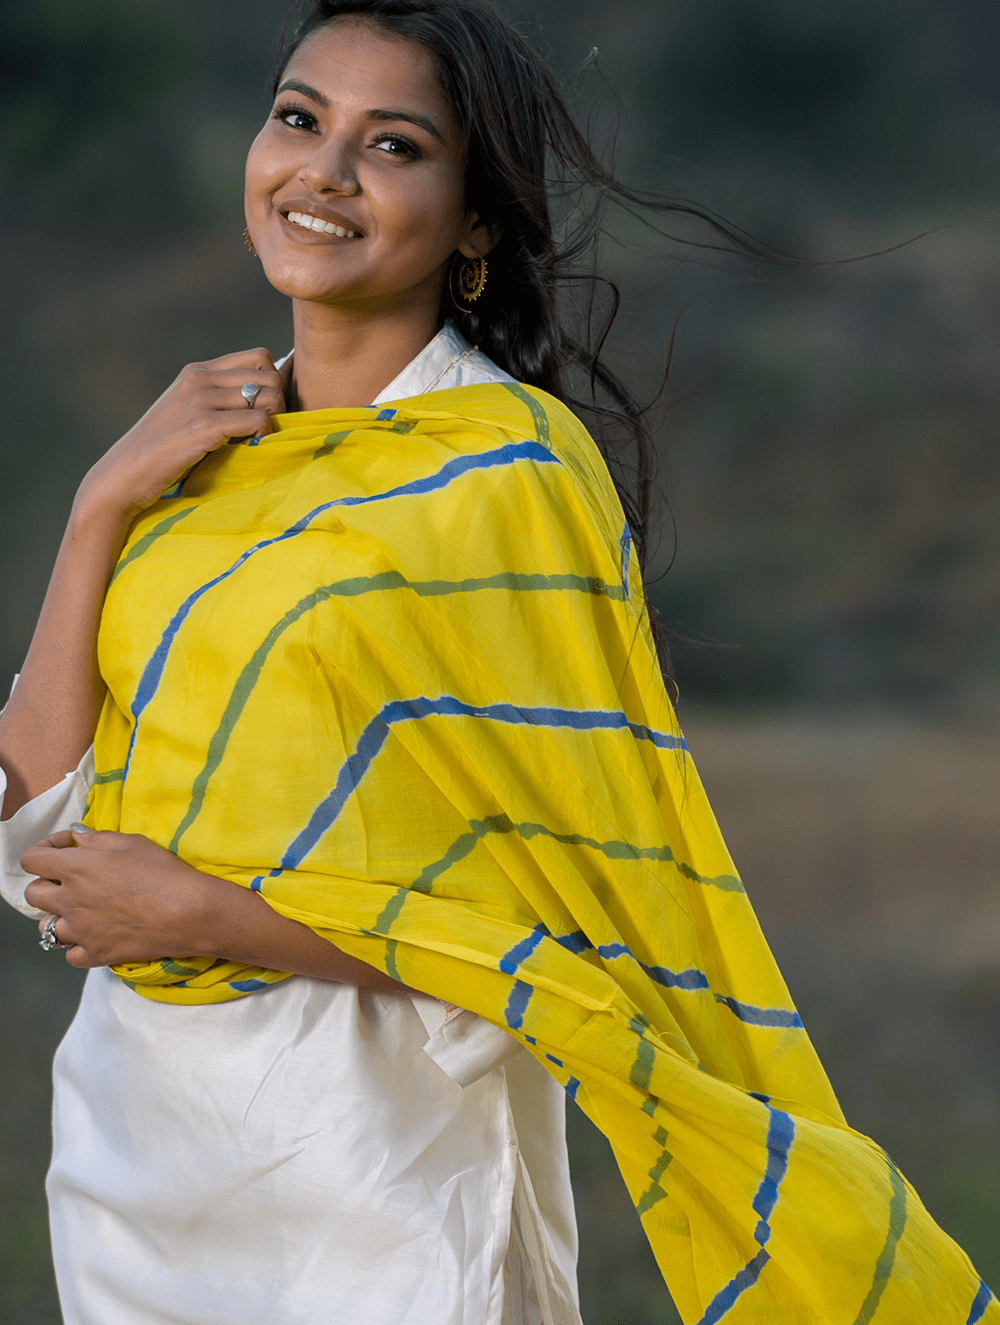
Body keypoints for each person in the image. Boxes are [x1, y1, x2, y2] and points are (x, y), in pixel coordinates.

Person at [0, 2, 994, 1323]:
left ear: (475, 222)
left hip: (387, 1162)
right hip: (133, 1146)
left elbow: (565, 926)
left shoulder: (508, 476)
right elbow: (42, 826)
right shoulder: (190, 466)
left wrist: (214, 920)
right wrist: (95, 511)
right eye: (300, 118)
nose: (323, 172)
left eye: (393, 145)